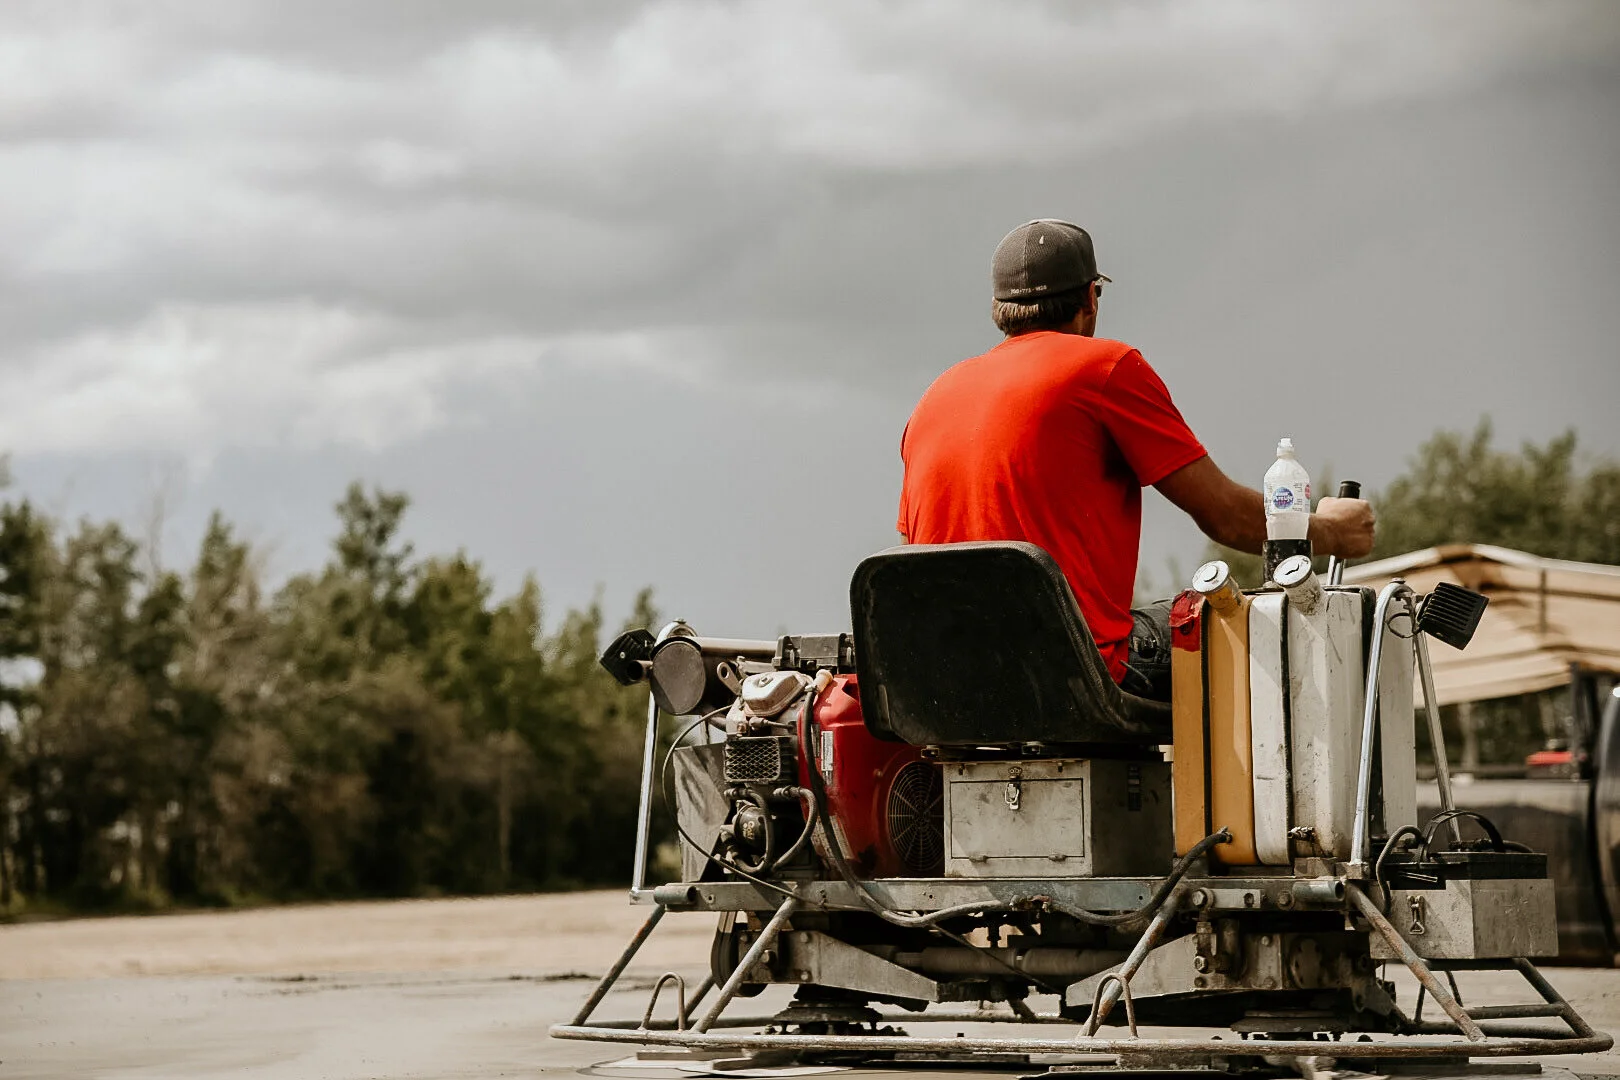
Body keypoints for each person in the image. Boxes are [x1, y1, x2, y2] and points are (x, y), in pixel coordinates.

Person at [896, 219, 1376, 701]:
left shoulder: (934, 398)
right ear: (1089, 299)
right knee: (1271, 632)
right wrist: (1333, 531)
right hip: (1076, 678)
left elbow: (916, 556)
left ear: (1000, 310)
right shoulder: (1105, 369)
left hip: (950, 688)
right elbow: (1224, 516)